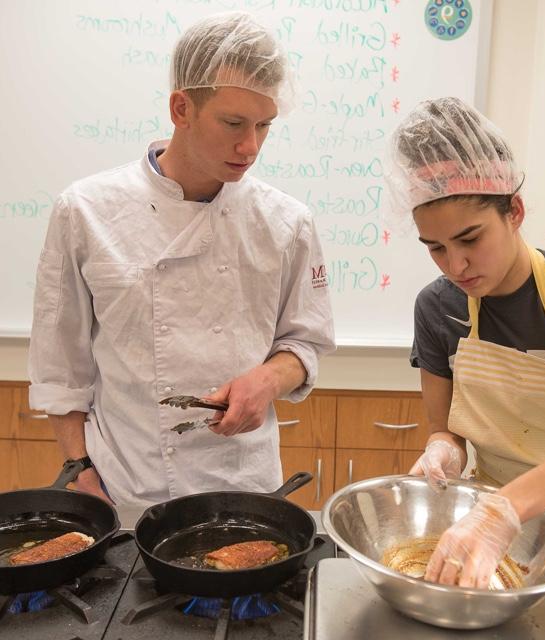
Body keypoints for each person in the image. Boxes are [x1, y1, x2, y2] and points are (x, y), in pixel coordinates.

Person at [28, 12, 335, 506]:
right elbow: (60, 368)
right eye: (233, 123)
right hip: (124, 484)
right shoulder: (86, 210)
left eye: (264, 126)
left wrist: (268, 378)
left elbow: (304, 343)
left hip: (246, 486)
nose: (250, 146)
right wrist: (80, 470)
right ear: (181, 108)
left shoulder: (286, 221)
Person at [386, 97, 545, 588]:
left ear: (514, 211)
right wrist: (445, 452)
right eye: (436, 248)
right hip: (497, 538)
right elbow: (445, 430)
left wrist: (507, 506)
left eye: (470, 238)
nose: (455, 265)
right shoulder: (436, 308)